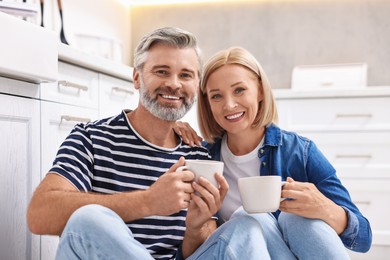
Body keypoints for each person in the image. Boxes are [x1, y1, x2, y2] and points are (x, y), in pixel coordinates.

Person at [27, 27, 288, 260]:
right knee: (89, 219)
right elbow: (39, 215)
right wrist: (148, 201)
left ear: (196, 85)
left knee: (247, 225)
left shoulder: (199, 155)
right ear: (138, 78)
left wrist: (195, 227)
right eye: (162, 72)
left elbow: (195, 248)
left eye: (185, 75)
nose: (174, 84)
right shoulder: (91, 139)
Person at [176, 46, 372, 258]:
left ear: (260, 90)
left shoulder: (300, 151)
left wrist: (323, 207)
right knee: (249, 218)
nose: (229, 105)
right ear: (208, 103)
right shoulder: (201, 159)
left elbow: (363, 237)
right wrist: (169, 128)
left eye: (239, 90)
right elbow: (188, 253)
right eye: (216, 96)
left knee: (294, 218)